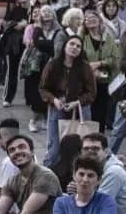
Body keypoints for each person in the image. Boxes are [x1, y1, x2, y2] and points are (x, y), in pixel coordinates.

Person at [39, 35, 96, 166]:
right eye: (72, 44)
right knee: (54, 148)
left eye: (78, 46)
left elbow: (91, 93)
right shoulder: (53, 64)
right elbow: (43, 88)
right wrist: (54, 100)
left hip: (80, 108)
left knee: (82, 147)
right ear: (65, 46)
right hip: (58, 107)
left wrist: (77, 102)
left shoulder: (84, 67)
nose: (74, 48)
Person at [0, 134, 61, 214]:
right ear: (9, 157)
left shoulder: (45, 176)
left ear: (32, 151)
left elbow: (27, 211)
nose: (17, 151)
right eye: (12, 150)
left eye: (22, 147)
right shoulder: (12, 182)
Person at [80, 132, 126, 214]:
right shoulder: (98, 168)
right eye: (86, 149)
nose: (90, 152)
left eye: (95, 149)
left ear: (106, 151)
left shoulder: (113, 172)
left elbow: (97, 206)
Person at [53, 155, 117, 214]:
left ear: (99, 180)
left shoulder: (106, 202)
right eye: (81, 174)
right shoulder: (61, 203)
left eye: (90, 175)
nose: (85, 179)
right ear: (74, 175)